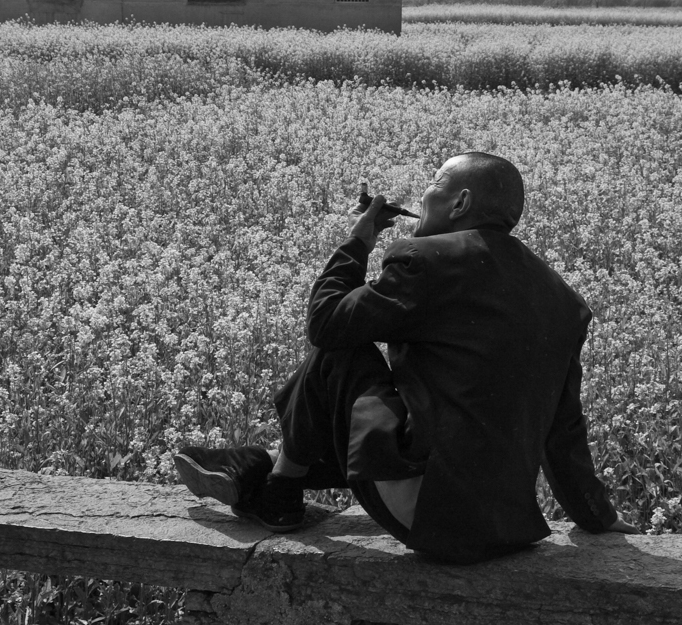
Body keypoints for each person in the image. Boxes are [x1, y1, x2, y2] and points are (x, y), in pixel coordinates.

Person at [174, 152, 639, 564]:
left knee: (341, 352)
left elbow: (326, 323)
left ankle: (277, 488)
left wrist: (358, 242)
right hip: (506, 528)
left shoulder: (428, 260)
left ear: (459, 204)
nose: (424, 195)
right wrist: (596, 515)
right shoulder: (562, 299)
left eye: (434, 185)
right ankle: (262, 469)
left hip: (426, 510)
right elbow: (564, 425)